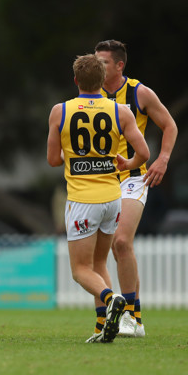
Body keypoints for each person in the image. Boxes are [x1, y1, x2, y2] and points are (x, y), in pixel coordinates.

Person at [47, 54, 150, 343]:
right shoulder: (121, 111)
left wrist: (73, 154)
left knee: (81, 271)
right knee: (100, 263)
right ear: (103, 81)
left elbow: (53, 160)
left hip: (83, 200)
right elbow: (143, 153)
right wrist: (126, 164)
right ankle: (102, 326)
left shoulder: (60, 111)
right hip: (113, 199)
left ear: (76, 80)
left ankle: (112, 297)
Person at [95, 40, 177, 338]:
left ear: (119, 65)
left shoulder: (139, 92)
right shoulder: (90, 95)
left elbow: (170, 125)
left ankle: (133, 318)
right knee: (100, 252)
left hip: (134, 177)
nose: (97, 66)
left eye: (103, 62)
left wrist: (163, 159)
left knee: (121, 242)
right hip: (100, 180)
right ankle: (108, 318)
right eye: (95, 61)